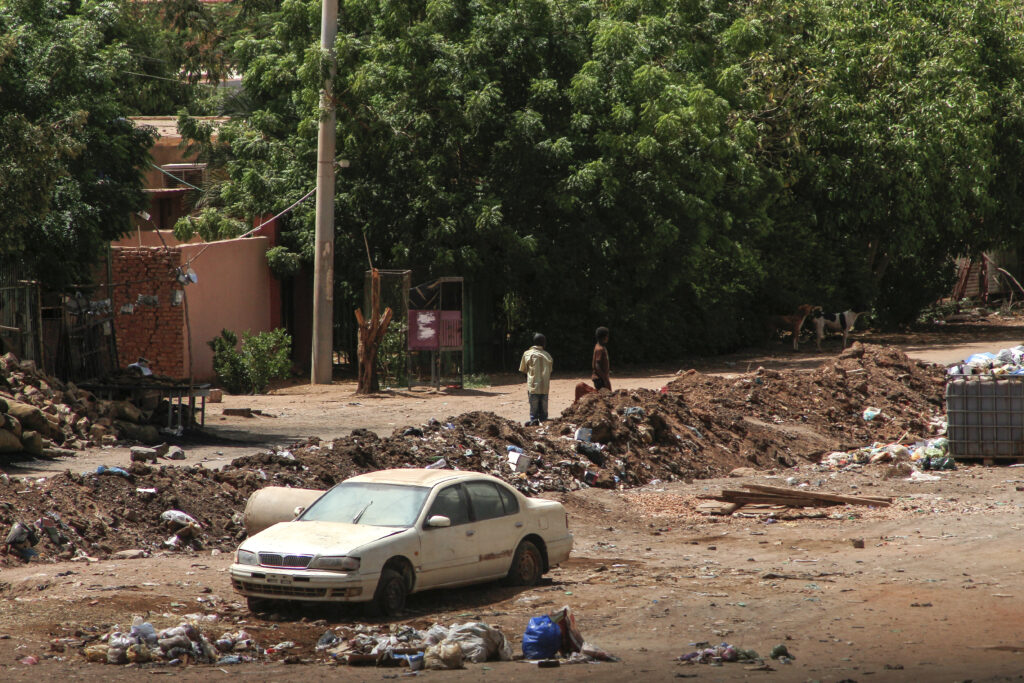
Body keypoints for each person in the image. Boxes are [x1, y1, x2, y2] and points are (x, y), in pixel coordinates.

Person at [519, 333, 553, 425]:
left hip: (533, 387)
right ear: (544, 344)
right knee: (544, 414)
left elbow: (523, 370)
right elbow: (550, 371)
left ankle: (533, 422)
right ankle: (543, 422)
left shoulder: (527, 354)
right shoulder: (548, 356)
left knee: (533, 412)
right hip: (545, 388)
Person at [592, 326, 611, 391]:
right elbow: (597, 365)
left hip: (600, 378)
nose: (608, 338)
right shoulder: (600, 349)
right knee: (606, 396)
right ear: (604, 337)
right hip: (600, 379)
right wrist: (605, 379)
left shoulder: (598, 346)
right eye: (607, 336)